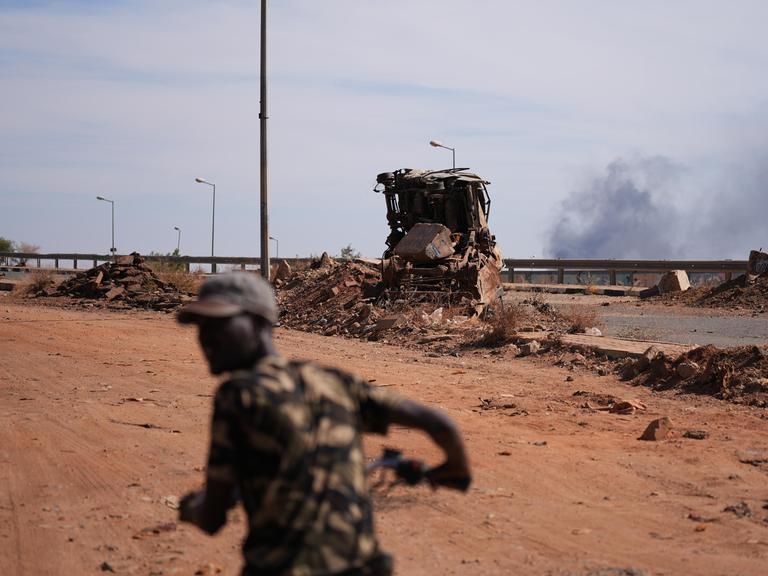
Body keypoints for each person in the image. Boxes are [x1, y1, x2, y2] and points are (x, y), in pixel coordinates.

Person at [177, 272, 471, 576]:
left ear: (259, 322)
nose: (206, 337)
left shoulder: (238, 394)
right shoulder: (332, 381)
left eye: (218, 324)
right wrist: (455, 469)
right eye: (201, 326)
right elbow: (439, 423)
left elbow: (212, 518)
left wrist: (190, 510)